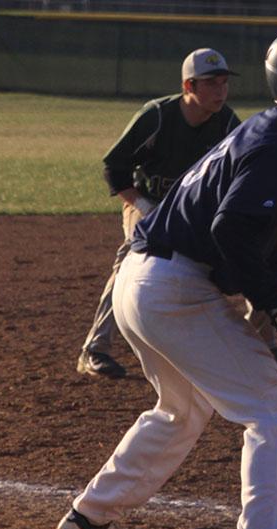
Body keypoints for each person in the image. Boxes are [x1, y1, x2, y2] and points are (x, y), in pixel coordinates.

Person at [50, 24, 277, 529]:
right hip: (175, 291)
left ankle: (90, 519)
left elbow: (244, 230)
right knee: (273, 415)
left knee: (181, 410)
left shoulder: (270, 133)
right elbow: (230, 231)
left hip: (144, 281)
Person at [76, 47, 243, 378]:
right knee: (131, 259)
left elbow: (242, 172)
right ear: (188, 87)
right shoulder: (157, 117)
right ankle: (94, 349)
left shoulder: (226, 122)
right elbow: (114, 167)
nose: (220, 91)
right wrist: (141, 205)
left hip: (199, 209)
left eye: (224, 83)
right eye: (210, 83)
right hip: (149, 202)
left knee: (246, 248)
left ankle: (264, 340)